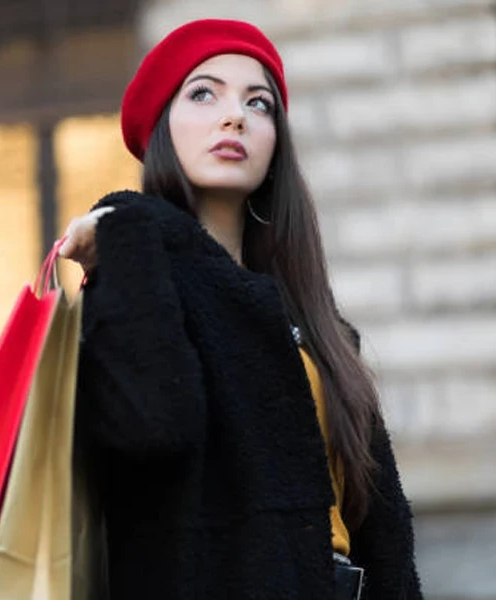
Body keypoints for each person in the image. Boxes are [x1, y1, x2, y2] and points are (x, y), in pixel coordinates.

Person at [59, 18, 422, 600]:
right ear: (161, 127)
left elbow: (380, 525)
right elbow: (152, 428)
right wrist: (133, 228)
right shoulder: (137, 288)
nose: (236, 117)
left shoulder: (317, 327)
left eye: (260, 104)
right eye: (203, 93)